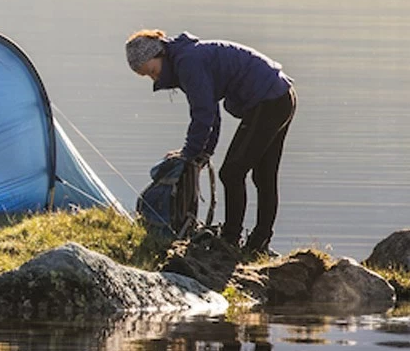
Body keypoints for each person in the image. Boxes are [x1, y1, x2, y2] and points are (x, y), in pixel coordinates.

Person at [126, 28, 296, 254]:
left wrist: (189, 153)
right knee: (262, 176)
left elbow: (203, 114)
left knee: (232, 173)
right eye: (148, 76)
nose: (155, 78)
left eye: (153, 71)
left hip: (269, 101)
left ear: (160, 54)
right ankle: (257, 244)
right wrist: (204, 153)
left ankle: (231, 239)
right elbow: (211, 112)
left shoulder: (187, 63)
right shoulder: (185, 58)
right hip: (281, 95)